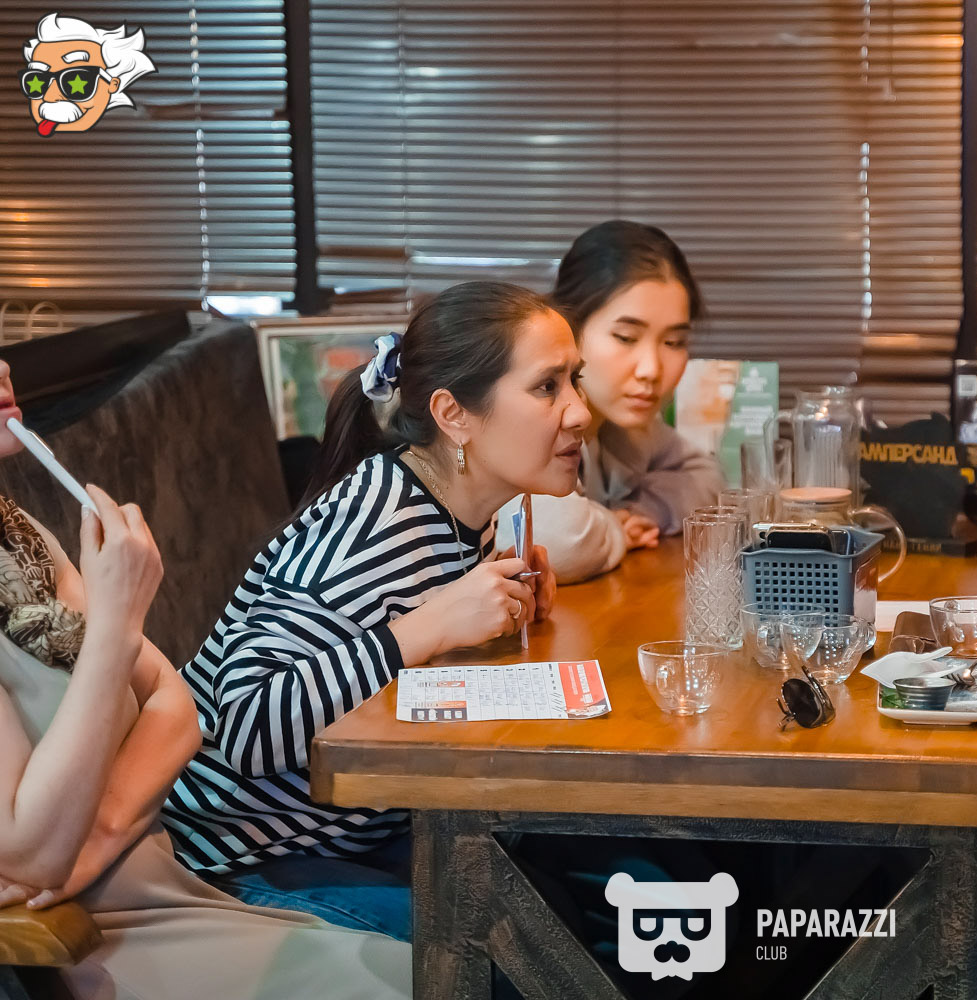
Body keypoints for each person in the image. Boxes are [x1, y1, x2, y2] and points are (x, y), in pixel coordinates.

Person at [161, 281, 582, 942]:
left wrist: (497, 606)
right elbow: (245, 724)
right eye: (547, 387)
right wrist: (428, 627)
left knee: (572, 899)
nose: (580, 411)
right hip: (246, 853)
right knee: (522, 944)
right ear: (454, 415)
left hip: (360, 829)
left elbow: (395, 663)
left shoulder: (461, 510)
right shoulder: (371, 527)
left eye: (576, 380)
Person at [0, 360, 410, 999]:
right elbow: (28, 855)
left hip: (165, 887)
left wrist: (94, 835)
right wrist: (116, 628)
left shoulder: (18, 533)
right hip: (79, 943)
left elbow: (178, 707)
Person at [498, 220, 724, 582]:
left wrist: (639, 511)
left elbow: (706, 475)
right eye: (626, 337)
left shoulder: (622, 427)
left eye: (673, 343)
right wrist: (615, 529)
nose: (651, 370)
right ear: (569, 326)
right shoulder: (529, 406)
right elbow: (554, 540)